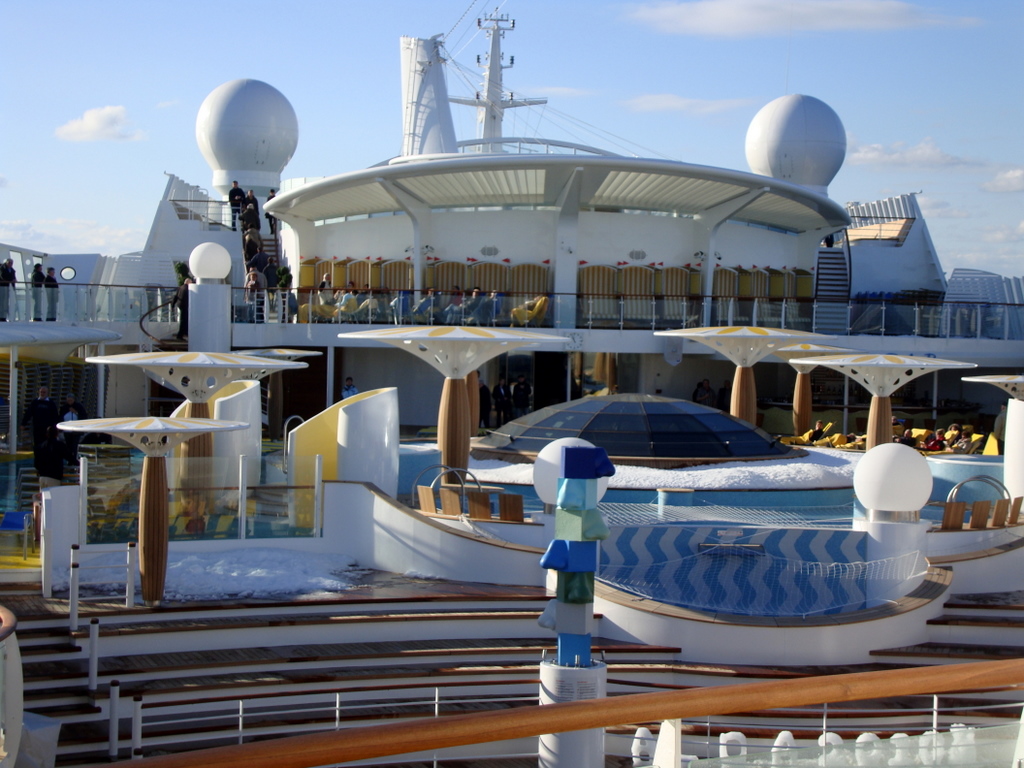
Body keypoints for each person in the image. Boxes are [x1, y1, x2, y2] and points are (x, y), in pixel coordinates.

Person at [59, 393, 88, 462]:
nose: (70, 402)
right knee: (68, 446)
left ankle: (75, 459)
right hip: (67, 430)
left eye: (71, 400)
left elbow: (83, 416)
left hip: (76, 431)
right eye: (68, 400)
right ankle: (69, 460)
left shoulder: (79, 406)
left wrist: (75, 412)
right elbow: (60, 417)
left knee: (75, 446)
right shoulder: (64, 407)